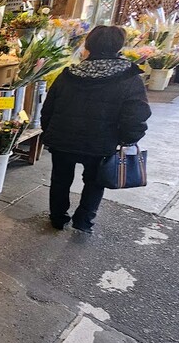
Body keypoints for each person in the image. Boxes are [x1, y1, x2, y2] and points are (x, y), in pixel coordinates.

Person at [40, 25, 151, 233]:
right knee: (94, 181)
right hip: (101, 142)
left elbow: (48, 108)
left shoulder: (69, 74)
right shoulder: (129, 78)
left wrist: (49, 133)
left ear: (88, 45)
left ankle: (57, 218)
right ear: (119, 47)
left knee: (60, 179)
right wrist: (129, 139)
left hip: (63, 138)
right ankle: (83, 221)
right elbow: (136, 114)